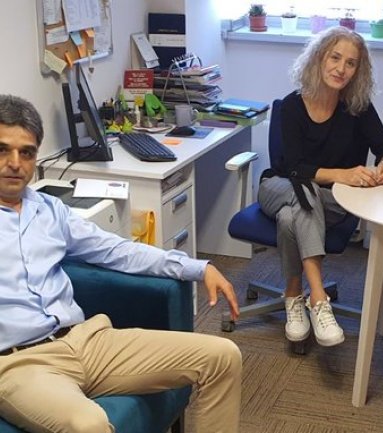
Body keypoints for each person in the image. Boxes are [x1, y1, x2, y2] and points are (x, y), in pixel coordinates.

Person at [0, 94, 242, 433]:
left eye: (26, 152)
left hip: (85, 341)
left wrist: (199, 268)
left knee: (222, 357)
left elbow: (118, 250)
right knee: (89, 424)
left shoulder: (50, 210)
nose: (15, 163)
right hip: (20, 364)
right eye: (3, 150)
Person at [258, 26, 383, 347]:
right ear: (319, 58)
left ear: (358, 70)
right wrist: (342, 174)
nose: (341, 69)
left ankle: (294, 295)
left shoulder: (357, 107)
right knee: (303, 190)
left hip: (330, 201)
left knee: (290, 217)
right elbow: (294, 168)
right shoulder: (292, 106)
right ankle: (319, 299)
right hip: (279, 186)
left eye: (351, 63)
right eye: (335, 58)